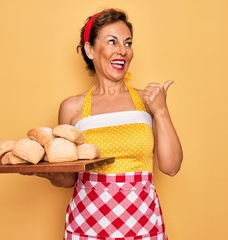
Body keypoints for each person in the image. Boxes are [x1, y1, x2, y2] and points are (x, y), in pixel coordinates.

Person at [33, 8, 183, 239]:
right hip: (87, 223)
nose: (122, 51)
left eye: (128, 43)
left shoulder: (148, 101)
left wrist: (161, 110)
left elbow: (171, 167)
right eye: (112, 42)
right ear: (90, 50)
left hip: (142, 223)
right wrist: (42, 171)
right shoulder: (72, 108)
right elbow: (68, 178)